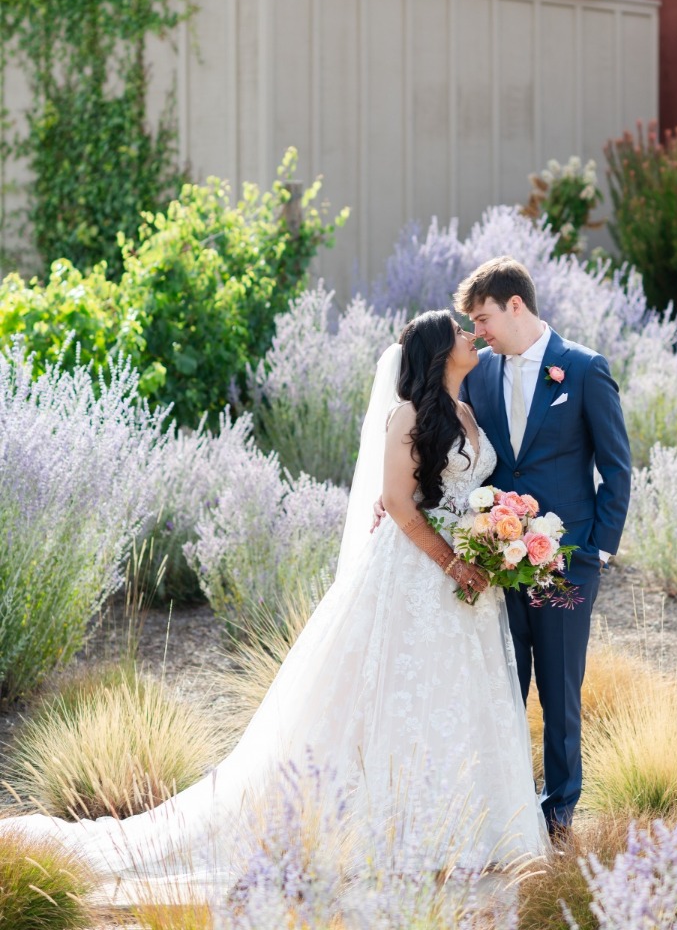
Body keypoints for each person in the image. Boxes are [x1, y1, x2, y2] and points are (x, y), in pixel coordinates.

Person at [1, 311, 548, 891]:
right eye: (462, 332)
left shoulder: (464, 411)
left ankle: (471, 830)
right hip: (418, 574)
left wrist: (495, 532)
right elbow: (398, 501)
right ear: (439, 352)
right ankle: (404, 833)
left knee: (457, 693)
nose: (472, 336)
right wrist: (453, 561)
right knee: (401, 693)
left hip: (466, 585)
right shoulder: (408, 416)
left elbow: (464, 492)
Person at [454, 256, 631, 843]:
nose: (478, 334)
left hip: (567, 565)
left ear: (515, 305)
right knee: (503, 688)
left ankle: (558, 815)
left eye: (483, 319)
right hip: (497, 565)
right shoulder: (479, 376)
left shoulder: (582, 370)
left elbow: (616, 467)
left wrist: (597, 551)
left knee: (559, 692)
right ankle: (504, 808)